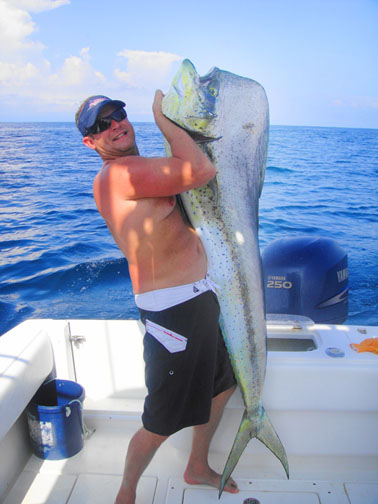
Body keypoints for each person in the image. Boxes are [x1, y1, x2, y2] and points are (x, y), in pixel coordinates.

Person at [75, 91, 239, 504]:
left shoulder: (140, 169)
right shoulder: (117, 175)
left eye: (118, 115)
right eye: (101, 125)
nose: (114, 125)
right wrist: (163, 119)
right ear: (90, 142)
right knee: (161, 420)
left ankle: (196, 466)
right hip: (175, 316)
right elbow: (201, 169)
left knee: (223, 386)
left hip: (200, 300)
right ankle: (125, 493)